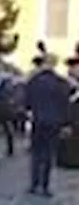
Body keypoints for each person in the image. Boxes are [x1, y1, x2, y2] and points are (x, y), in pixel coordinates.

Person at [23, 49, 71, 196]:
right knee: (49, 154)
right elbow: (65, 104)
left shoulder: (33, 81)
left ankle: (33, 184)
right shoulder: (61, 82)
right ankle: (45, 186)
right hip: (54, 122)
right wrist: (65, 123)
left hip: (38, 120)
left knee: (36, 153)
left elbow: (27, 101)